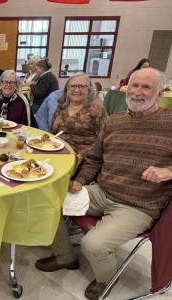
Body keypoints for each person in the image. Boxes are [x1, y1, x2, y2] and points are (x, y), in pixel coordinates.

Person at [35, 68, 172, 300]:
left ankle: (105, 279)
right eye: (134, 86)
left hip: (138, 205)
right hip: (102, 191)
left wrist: (169, 171)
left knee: (93, 245)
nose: (138, 92)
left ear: (160, 93)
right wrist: (79, 180)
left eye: (146, 87)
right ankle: (65, 256)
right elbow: (94, 159)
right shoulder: (115, 121)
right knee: (45, 201)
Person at [51, 73, 107, 158]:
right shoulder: (62, 106)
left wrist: (81, 155)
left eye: (81, 86)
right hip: (58, 150)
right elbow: (53, 132)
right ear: (67, 89)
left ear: (89, 90)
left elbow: (103, 140)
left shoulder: (97, 109)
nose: (76, 90)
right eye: (73, 86)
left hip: (85, 157)